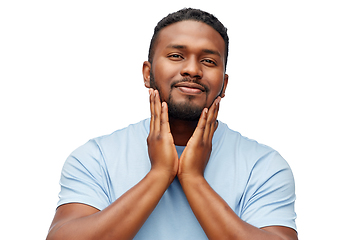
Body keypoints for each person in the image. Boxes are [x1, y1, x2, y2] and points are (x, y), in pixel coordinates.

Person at [47, 8, 297, 240]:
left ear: (225, 83)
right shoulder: (95, 157)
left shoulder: (263, 165)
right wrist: (160, 174)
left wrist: (193, 178)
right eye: (176, 56)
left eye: (209, 61)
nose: (192, 69)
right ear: (148, 73)